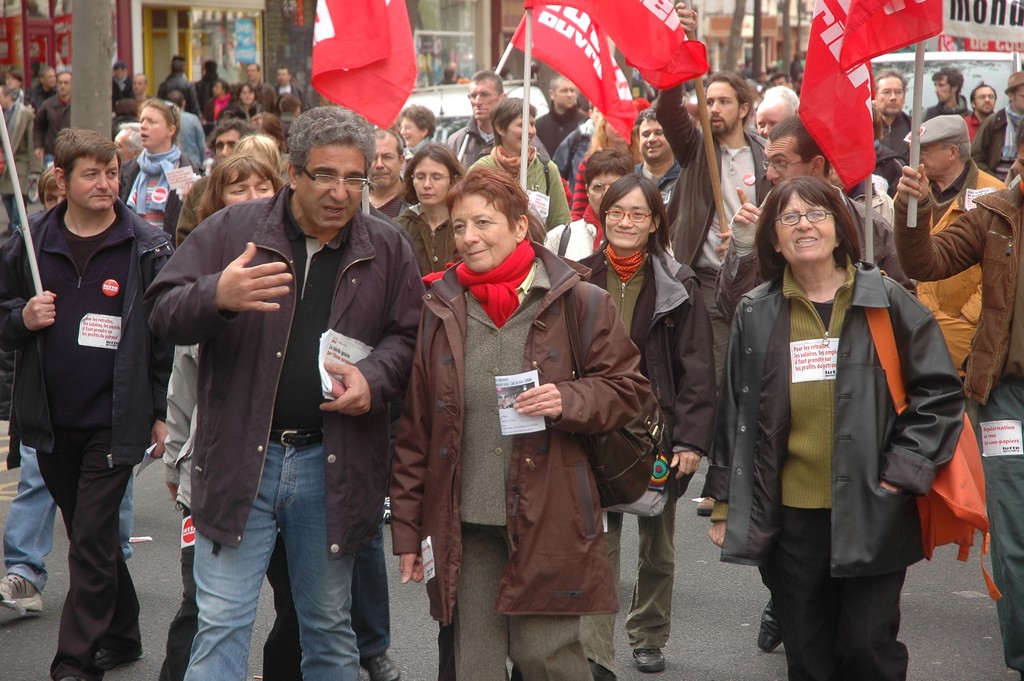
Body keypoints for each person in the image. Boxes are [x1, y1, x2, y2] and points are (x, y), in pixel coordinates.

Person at [145, 105, 424, 681]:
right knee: (221, 621)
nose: (341, 192)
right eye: (325, 175)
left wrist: (372, 379)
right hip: (241, 459)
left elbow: (409, 336)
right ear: (294, 173)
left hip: (334, 461)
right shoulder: (233, 230)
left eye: (355, 179)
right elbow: (160, 312)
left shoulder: (387, 246)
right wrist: (216, 294)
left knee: (326, 624)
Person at [390, 167, 651, 681]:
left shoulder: (579, 300)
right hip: (466, 523)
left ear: (519, 228)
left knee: (545, 659)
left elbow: (630, 390)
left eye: (483, 223)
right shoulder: (441, 308)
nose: (468, 237)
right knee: (475, 667)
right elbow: (417, 426)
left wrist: (568, 398)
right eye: (460, 225)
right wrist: (407, 531)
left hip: (550, 511)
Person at [705, 175, 964, 681]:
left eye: (816, 213)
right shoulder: (756, 311)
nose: (804, 225)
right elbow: (734, 412)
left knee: (868, 650)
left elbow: (940, 392)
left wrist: (901, 473)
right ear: (773, 238)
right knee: (808, 653)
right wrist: (723, 503)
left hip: (874, 506)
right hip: (791, 517)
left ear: (840, 227)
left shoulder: (885, 300)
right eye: (789, 217)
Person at [0, 127, 174, 680]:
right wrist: (21, 319)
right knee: (88, 537)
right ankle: (122, 634)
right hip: (51, 421)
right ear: (61, 179)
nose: (106, 184)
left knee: (92, 540)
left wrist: (163, 411)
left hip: (115, 421)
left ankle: (73, 663)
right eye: (92, 174)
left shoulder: (146, 245)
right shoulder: (30, 243)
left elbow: (165, 335)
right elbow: (3, 316)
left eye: (113, 173)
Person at [578, 175, 715, 679]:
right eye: (617, 212)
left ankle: (649, 634)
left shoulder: (678, 282)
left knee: (657, 543)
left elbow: (697, 367)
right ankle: (595, 652)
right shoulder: (580, 275)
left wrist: (692, 440)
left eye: (638, 213)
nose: (626, 222)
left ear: (656, 220)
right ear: (603, 216)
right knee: (597, 543)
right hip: (596, 428)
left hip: (659, 431)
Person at [894, 155, 1024, 679]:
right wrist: (915, 207)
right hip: (1005, 398)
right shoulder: (994, 214)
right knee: (1013, 534)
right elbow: (924, 263)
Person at [157, 153, 282, 681]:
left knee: (307, 613)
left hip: (294, 464)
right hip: (217, 468)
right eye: (239, 189)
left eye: (263, 187)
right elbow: (184, 383)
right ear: (216, 204)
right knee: (207, 607)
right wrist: (174, 463)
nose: (253, 197)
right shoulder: (203, 280)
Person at [717, 114, 914, 326]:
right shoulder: (761, 224)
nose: (771, 174)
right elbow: (733, 311)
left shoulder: (868, 224)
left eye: (781, 163)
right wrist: (744, 250)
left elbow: (905, 307)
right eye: (768, 164)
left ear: (815, 165)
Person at [657, 64, 771, 383]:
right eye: (708, 102)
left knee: (757, 372)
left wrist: (750, 240)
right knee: (718, 372)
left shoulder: (766, 156)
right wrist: (680, 57)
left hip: (758, 278)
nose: (714, 109)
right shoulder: (696, 149)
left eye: (723, 101)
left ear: (744, 108)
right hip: (708, 279)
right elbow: (668, 111)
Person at [912, 115, 1004, 375]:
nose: (917, 158)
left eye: (925, 151)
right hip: (919, 325)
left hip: (972, 333)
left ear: (952, 152)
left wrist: (969, 315)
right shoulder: (911, 193)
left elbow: (1004, 267)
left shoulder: (995, 194)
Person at [470, 97, 570, 232]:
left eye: (532, 124)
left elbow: (561, 224)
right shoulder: (480, 170)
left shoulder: (547, 169)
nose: (530, 131)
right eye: (522, 125)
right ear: (500, 128)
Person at [120, 98, 201, 237]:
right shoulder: (128, 169)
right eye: (142, 121)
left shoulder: (186, 170)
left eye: (151, 121)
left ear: (171, 130)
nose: (143, 126)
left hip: (169, 253)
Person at [174, 118, 254, 246]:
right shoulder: (200, 188)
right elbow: (185, 241)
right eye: (219, 146)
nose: (224, 152)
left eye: (232, 145)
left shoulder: (260, 185)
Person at [545, 148, 633, 261]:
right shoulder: (559, 238)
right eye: (598, 187)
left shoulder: (640, 236)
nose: (606, 194)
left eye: (614, 187)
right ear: (587, 191)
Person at [395, 143, 464, 274]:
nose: (426, 185)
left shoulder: (465, 226)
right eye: (420, 177)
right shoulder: (398, 227)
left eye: (436, 177)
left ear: (453, 180)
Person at [568, 111, 641, 220]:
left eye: (624, 121)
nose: (619, 126)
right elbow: (579, 208)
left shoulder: (641, 162)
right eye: (613, 122)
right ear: (603, 126)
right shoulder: (589, 163)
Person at [0, 84, 41, 236]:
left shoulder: (23, 113)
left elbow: (31, 139)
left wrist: (35, 166)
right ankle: (13, 224)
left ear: (8, 96)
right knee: (6, 195)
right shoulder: (3, 114)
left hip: (20, 159)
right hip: (5, 160)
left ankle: (19, 226)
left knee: (18, 194)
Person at [972, 71, 1024, 180]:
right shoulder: (994, 121)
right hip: (997, 186)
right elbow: (975, 157)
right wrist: (993, 181)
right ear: (1011, 95)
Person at [634, 107, 679, 207]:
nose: (651, 139)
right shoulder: (628, 178)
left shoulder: (686, 178)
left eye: (659, 133)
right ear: (638, 141)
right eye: (646, 134)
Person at [535, 75, 587, 158]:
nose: (570, 95)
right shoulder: (539, 126)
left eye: (572, 91)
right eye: (564, 91)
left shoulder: (585, 123)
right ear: (552, 94)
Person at [33, 70, 71, 167]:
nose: (62, 86)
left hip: (73, 152)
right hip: (52, 152)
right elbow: (38, 126)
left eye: (66, 83)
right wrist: (38, 146)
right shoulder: (47, 105)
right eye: (60, 83)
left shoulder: (79, 106)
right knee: (52, 180)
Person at [874, 69, 912, 164]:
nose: (893, 97)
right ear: (875, 96)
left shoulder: (915, 129)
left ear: (904, 97)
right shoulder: (865, 129)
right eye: (886, 92)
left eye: (898, 92)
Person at [369, 128, 406, 219]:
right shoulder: (354, 201)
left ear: (401, 161)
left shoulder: (415, 203)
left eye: (387, 157)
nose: (379, 165)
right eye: (373, 158)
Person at [167, 90, 207, 167]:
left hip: (173, 164)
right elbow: (202, 144)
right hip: (194, 162)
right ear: (184, 103)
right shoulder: (193, 119)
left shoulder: (166, 121)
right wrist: (202, 162)